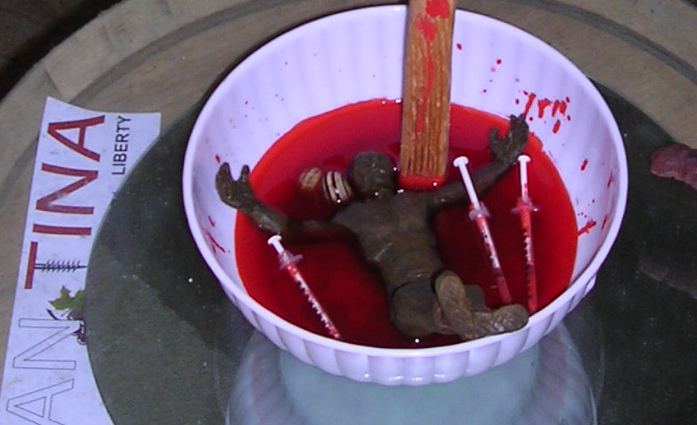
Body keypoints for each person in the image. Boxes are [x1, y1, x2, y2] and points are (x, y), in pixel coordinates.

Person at [215, 115, 530, 341]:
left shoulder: (414, 201)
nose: (373, 171)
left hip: (442, 282)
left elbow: (468, 190)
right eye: (364, 169)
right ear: (354, 182)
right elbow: (291, 229)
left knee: (463, 289)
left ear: (392, 173)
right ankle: (460, 318)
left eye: (379, 166)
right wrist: (249, 204)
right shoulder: (352, 218)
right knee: (416, 302)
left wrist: (503, 162)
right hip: (406, 294)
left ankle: (467, 318)